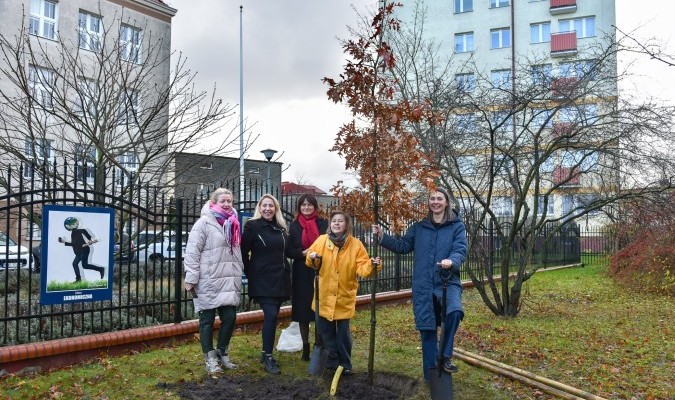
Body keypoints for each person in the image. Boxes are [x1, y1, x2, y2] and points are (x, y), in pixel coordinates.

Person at [372, 188, 467, 381]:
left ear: (446, 202)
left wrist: (452, 261)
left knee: (454, 311)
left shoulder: (456, 226)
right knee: (427, 329)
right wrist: (382, 236)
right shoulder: (420, 227)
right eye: (432, 198)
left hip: (447, 281)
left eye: (439, 198)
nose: (435, 202)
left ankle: (445, 355)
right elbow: (403, 246)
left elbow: (460, 249)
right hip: (423, 285)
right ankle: (430, 376)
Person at [306, 211, 381, 375]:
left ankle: (345, 364)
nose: (337, 224)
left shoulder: (356, 245)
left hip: (344, 297)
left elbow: (362, 269)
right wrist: (312, 257)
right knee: (326, 333)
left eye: (340, 221)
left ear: (347, 224)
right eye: (334, 221)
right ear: (330, 224)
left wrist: (372, 264)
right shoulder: (321, 241)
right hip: (323, 297)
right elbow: (312, 262)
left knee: (343, 336)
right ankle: (332, 363)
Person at [184, 188, 244, 374]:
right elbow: (192, 251)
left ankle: (222, 352)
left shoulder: (233, 222)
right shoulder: (204, 223)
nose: (227, 204)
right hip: (207, 280)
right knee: (207, 321)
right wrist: (191, 277)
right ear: (213, 203)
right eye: (223, 201)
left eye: (229, 201)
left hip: (228, 280)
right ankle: (210, 358)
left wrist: (239, 271)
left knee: (230, 318)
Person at [241, 194, 291, 375]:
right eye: (264, 206)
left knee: (274, 316)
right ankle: (269, 357)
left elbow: (288, 251)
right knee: (270, 316)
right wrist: (251, 273)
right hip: (262, 280)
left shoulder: (281, 228)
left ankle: (265, 353)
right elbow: (242, 252)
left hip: (280, 280)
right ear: (259, 208)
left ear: (276, 208)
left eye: (271, 206)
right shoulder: (252, 227)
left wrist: (307, 253)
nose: (268, 209)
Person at [287, 194, 329, 361]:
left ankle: (319, 345)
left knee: (319, 309)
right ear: (299, 207)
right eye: (303, 205)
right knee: (303, 310)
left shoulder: (323, 224)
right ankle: (305, 347)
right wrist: (302, 253)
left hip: (320, 269)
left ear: (314, 206)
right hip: (301, 272)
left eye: (309, 205)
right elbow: (289, 250)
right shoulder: (295, 225)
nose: (306, 207)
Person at [58, 217, 104, 282]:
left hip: (83, 251)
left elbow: (75, 243)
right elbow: (78, 243)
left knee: (79, 265)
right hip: (81, 251)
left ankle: (99, 270)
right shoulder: (79, 231)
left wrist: (64, 242)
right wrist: (64, 242)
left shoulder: (75, 232)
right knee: (80, 265)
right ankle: (99, 270)